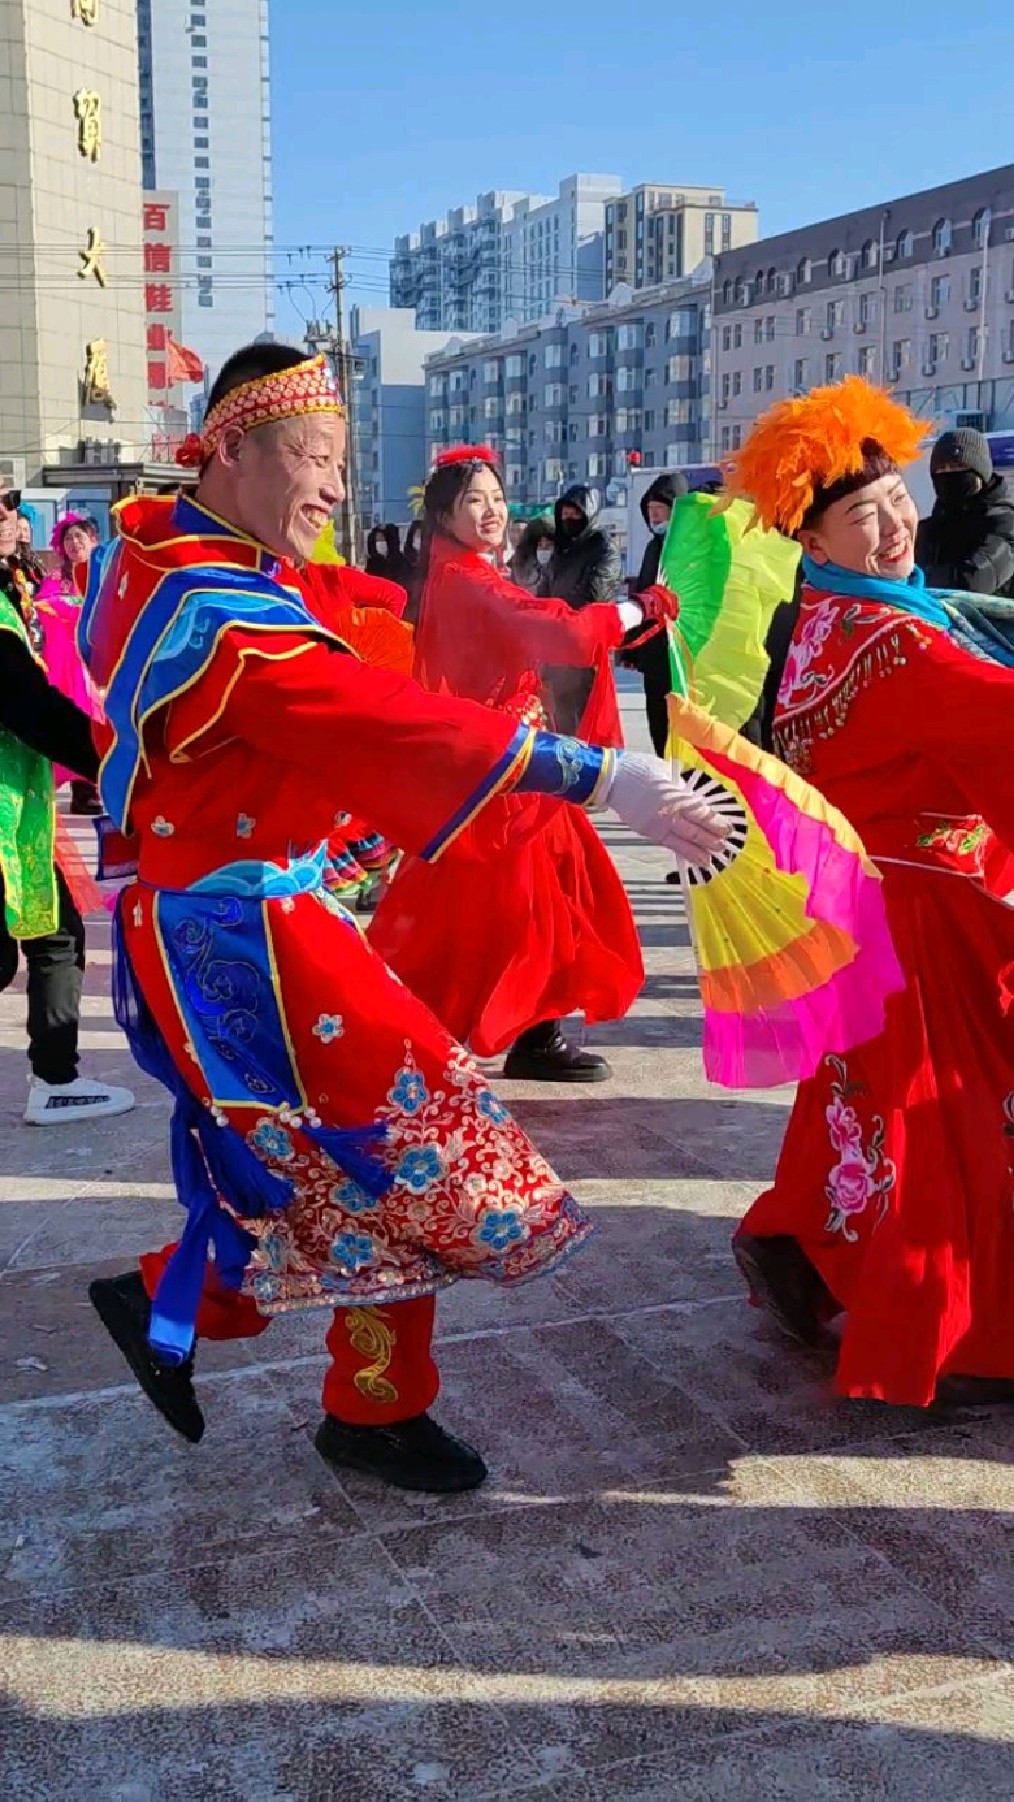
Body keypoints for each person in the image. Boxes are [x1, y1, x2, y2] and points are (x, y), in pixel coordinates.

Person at [80, 342, 730, 1493]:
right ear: (230, 446)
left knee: (345, 1165)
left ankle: (293, 1358)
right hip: (240, 931)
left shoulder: (168, 552)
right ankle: (223, 1321)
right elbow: (371, 714)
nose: (334, 487)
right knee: (405, 1147)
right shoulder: (221, 611)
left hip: (261, 903)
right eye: (316, 457)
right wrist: (597, 772)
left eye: (340, 461)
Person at [723, 376, 1014, 1408]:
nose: (893, 525)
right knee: (948, 1125)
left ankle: (793, 1243)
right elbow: (994, 714)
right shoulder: (891, 641)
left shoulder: (823, 626)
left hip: (870, 910)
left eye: (896, 500)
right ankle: (958, 1336)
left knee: (861, 1111)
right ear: (816, 540)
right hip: (929, 916)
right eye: (863, 515)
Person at [369, 446, 678, 1084]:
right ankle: (406, 1028)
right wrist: (633, 609)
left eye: (496, 499)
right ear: (444, 516)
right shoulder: (466, 580)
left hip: (514, 761)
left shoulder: (464, 570)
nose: (490, 511)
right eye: (472, 502)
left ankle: (520, 1031)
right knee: (505, 907)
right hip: (499, 766)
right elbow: (552, 629)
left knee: (540, 896)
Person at [0, 484, 134, 1126]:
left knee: (55, 933)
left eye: (9, 504)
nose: (7, 515)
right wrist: (122, 761)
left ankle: (56, 1078)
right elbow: (31, 706)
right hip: (5, 812)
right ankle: (54, 1078)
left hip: (19, 807)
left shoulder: (15, 588)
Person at [35, 513, 103, 815]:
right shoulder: (55, 579)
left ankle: (88, 788)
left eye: (80, 537)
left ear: (93, 540)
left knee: (97, 719)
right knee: (64, 716)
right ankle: (49, 791)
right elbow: (41, 607)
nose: (74, 543)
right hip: (62, 660)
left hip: (95, 660)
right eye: (68, 538)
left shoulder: (105, 575)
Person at [543, 485, 622, 734]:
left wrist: (558, 616)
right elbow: (545, 589)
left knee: (590, 721)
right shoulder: (561, 549)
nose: (568, 519)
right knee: (561, 718)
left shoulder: (603, 549)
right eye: (564, 514)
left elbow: (594, 593)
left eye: (575, 514)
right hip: (558, 647)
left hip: (589, 650)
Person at [621, 474, 688, 755]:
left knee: (683, 725)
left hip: (683, 652)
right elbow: (644, 594)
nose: (655, 516)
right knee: (657, 720)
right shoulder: (653, 547)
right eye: (650, 511)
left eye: (661, 509)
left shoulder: (691, 547)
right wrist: (632, 646)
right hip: (654, 651)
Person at [916, 428, 1014, 599]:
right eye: (941, 469)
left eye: (959, 466)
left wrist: (914, 580)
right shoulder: (930, 528)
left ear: (981, 472)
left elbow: (976, 579)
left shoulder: (1004, 522)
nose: (949, 474)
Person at [510, 515, 556, 596]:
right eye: (540, 544)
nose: (544, 548)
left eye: (549, 545)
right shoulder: (520, 565)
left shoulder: (564, 568)